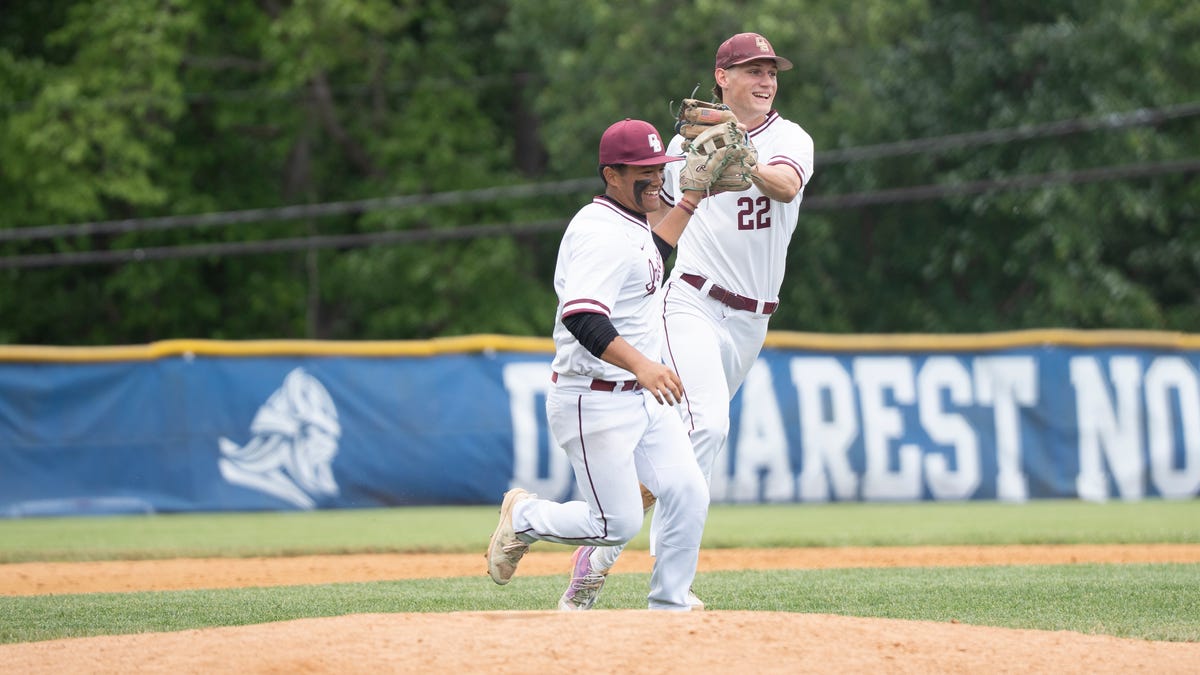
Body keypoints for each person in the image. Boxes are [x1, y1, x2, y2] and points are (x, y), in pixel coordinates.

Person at [558, 32, 816, 611]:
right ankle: (669, 594)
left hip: (753, 320)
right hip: (691, 300)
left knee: (688, 443)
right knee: (709, 428)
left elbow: (785, 185)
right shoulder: (684, 142)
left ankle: (599, 541)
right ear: (721, 78)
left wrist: (741, 156)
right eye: (751, 69)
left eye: (771, 71)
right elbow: (649, 218)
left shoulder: (790, 138)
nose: (766, 80)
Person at [486, 118, 711, 611]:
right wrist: (644, 367)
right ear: (612, 174)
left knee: (690, 490)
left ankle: (670, 606)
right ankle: (524, 516)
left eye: (660, 166)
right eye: (644, 170)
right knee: (616, 524)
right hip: (594, 399)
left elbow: (650, 257)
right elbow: (583, 318)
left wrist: (690, 200)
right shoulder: (598, 233)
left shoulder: (628, 222)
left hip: (639, 396)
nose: (657, 177)